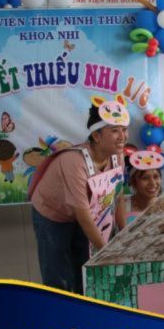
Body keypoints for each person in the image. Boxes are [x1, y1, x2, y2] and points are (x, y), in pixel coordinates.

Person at [29, 94, 129, 293]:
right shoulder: (74, 163)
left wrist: (125, 237)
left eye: (124, 129)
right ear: (96, 136)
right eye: (114, 130)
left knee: (84, 265)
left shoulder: (117, 156)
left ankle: (81, 302)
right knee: (57, 272)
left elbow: (117, 198)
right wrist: (108, 253)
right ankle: (60, 307)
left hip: (84, 211)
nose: (122, 136)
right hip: (53, 213)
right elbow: (83, 215)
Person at [124, 149, 164, 224]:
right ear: (134, 182)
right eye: (145, 178)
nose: (153, 183)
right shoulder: (122, 205)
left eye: (156, 177)